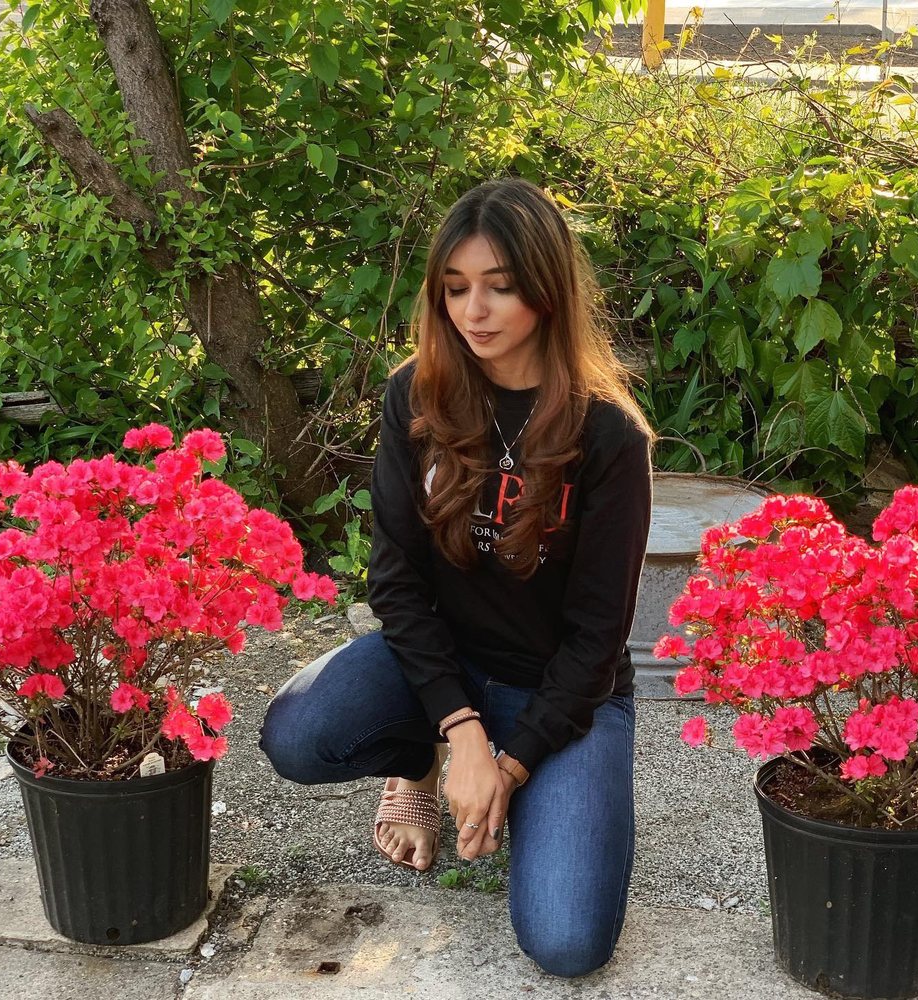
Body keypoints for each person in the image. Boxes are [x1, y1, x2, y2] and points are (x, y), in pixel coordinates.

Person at [260, 178, 653, 978]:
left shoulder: (609, 435)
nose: (474, 311)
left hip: (564, 689)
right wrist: (462, 734)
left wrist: (509, 767)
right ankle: (421, 763)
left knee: (567, 943)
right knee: (298, 735)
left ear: (547, 289)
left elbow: (596, 637)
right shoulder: (418, 394)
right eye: (455, 287)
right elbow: (397, 581)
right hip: (444, 664)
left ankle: (540, 793)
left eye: (499, 287)